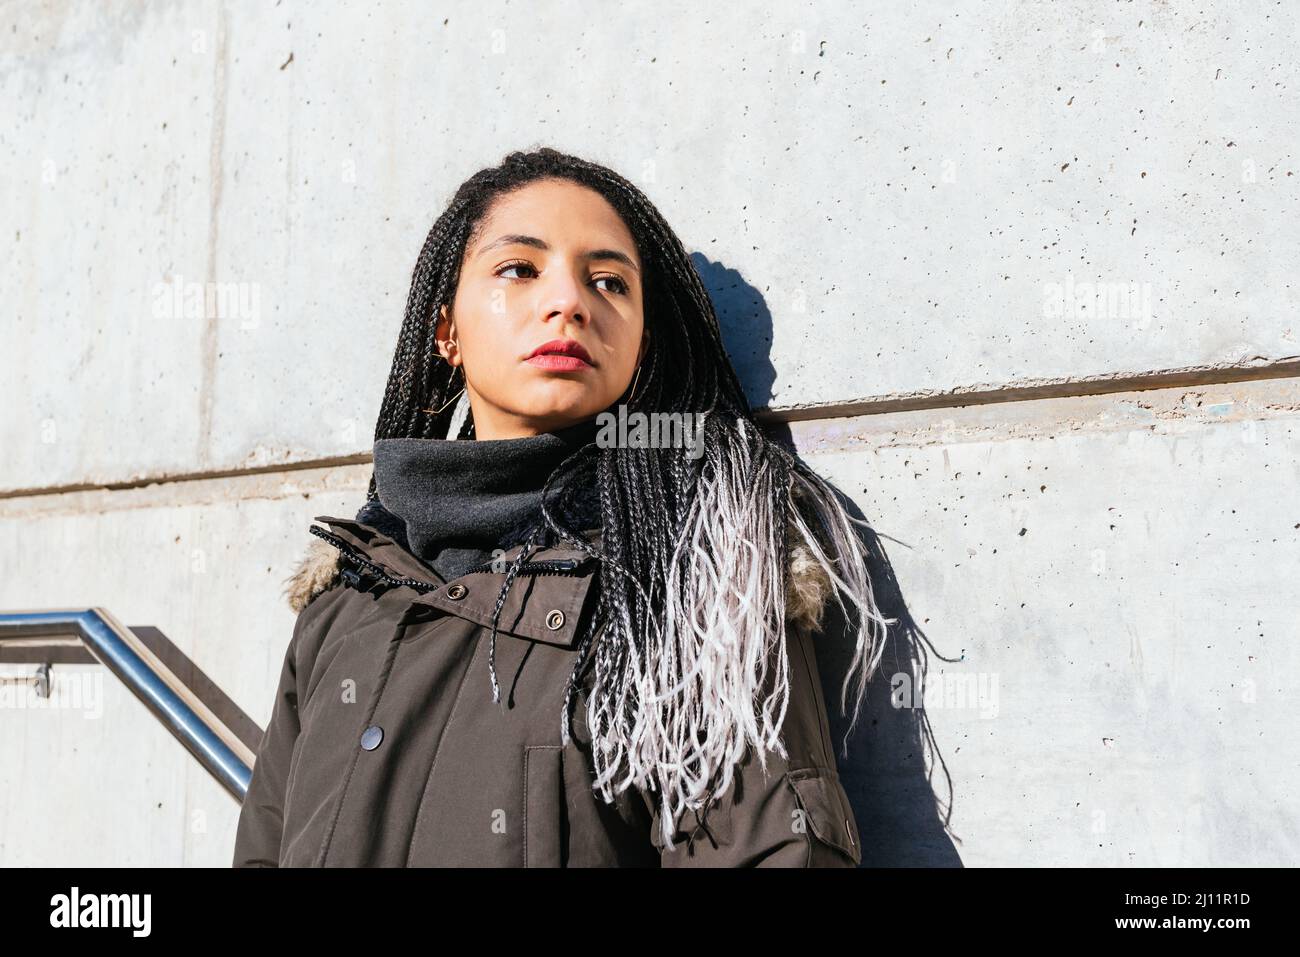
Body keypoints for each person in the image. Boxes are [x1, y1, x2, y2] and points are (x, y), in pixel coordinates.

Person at [231, 146, 894, 867]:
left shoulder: (691, 578)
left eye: (609, 282)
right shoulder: (346, 596)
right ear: (445, 329)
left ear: (641, 347)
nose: (570, 302)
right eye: (519, 268)